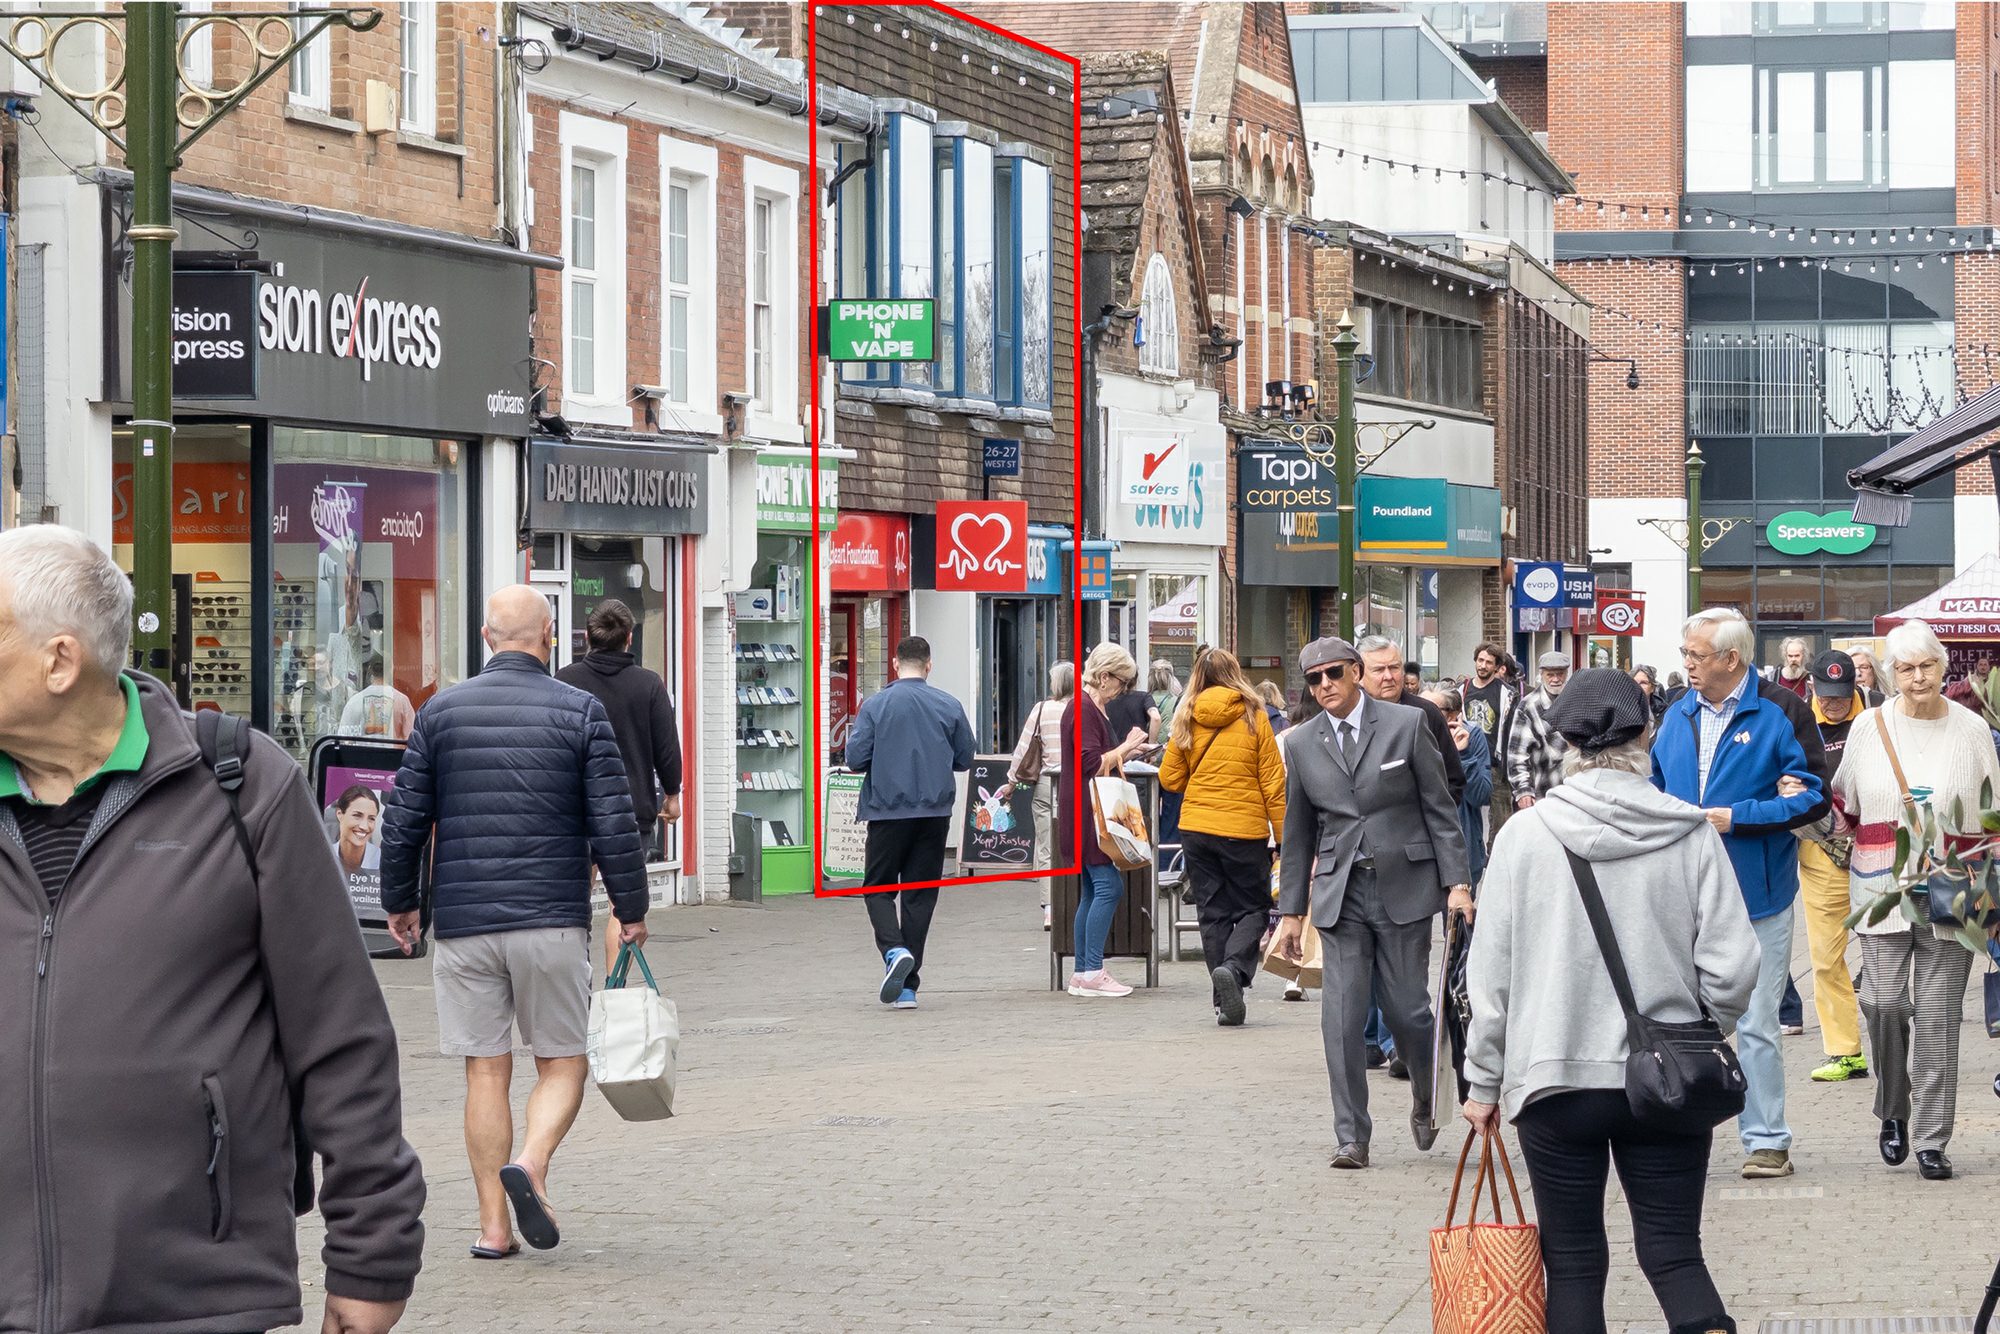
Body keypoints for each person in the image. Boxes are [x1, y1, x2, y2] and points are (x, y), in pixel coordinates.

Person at [0, 525, 424, 1329]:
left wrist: (372, 1257)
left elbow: (340, 1036)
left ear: (59, 662)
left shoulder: (240, 787)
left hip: (194, 1297)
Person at [1463, 669, 1756, 1334]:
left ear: (1564, 741)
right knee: (1675, 1253)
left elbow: (1491, 977)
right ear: (1647, 732)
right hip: (1670, 1080)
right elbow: (1735, 964)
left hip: (1555, 1077)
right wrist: (1697, 1027)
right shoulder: (1690, 832)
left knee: (1570, 1263)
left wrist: (1483, 1081)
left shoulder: (1523, 837)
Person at [381, 584, 647, 1257]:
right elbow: (613, 823)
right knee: (563, 1062)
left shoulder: (440, 713)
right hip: (550, 920)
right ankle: (531, 1161)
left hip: (465, 922)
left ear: (486, 637)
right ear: (550, 637)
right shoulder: (581, 712)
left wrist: (400, 902)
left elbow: (405, 819)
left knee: (485, 1070)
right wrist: (631, 908)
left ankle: (493, 1229)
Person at [1271, 636, 1472, 1169]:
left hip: (1405, 887)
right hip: (1340, 893)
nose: (1324, 685)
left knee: (1409, 1011)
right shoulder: (1301, 742)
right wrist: (1291, 913)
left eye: (1334, 673)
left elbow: (1440, 809)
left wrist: (1457, 883)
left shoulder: (1408, 724)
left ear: (1356, 672)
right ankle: (1351, 1136)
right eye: (1313, 679)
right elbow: (1297, 832)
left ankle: (1427, 1095)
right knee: (1341, 1018)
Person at [1650, 607, 1827, 1180]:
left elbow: (1813, 797)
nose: (1687, 664)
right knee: (1677, 1018)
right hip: (1682, 892)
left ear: (1731, 658)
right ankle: (1679, 1129)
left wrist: (1738, 817)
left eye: (1696, 655)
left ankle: (1767, 1140)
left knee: (1755, 1021)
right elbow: (1655, 787)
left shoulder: (1781, 712)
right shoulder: (1677, 713)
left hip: (1758, 895)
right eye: (1685, 654)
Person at [1833, 620, 2000, 1181]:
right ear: (1891, 674)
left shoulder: (1972, 729)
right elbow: (1846, 802)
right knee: (1882, 1002)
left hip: (1953, 887)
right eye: (1905, 668)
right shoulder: (1869, 726)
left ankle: (1931, 1137)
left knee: (1938, 1017)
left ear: (1943, 667)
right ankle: (1893, 1107)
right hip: (1881, 886)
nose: (1918, 677)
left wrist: (1991, 894)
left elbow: (1993, 815)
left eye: (1927, 665)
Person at [842, 635, 976, 1009]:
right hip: (934, 814)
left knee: (878, 889)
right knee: (920, 896)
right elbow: (965, 757)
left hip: (887, 812)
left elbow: (855, 758)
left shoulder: (876, 705)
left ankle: (894, 950)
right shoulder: (949, 705)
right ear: (929, 665)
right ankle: (907, 988)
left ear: (895, 664)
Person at [1160, 649, 1287, 1025]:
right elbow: (1273, 783)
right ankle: (1233, 970)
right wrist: (1283, 839)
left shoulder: (1186, 714)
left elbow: (1169, 778)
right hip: (1243, 830)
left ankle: (1223, 1002)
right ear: (1235, 674)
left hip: (1196, 829)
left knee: (1212, 913)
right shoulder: (1254, 715)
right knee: (1254, 908)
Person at [555, 597, 683, 962]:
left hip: (575, 809)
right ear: (629, 637)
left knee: (574, 898)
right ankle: (615, 987)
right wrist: (671, 795)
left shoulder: (565, 681)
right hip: (629, 809)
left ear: (588, 637)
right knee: (622, 906)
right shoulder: (648, 684)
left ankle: (573, 977)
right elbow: (666, 747)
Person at [1060, 643, 1152, 997]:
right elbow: (1091, 763)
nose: (1122, 690)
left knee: (1091, 889)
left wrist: (1127, 750)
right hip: (1091, 813)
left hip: (1082, 808)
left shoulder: (1086, 707)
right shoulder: (1084, 708)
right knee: (1109, 887)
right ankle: (1093, 971)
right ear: (1103, 677)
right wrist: (1127, 746)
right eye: (1121, 682)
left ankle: (1083, 972)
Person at [1794, 650, 1869, 1084]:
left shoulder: (1877, 714)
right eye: (1826, 694)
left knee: (1888, 955)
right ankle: (1845, 1052)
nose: (1833, 703)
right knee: (1825, 958)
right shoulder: (1799, 721)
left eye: (1841, 694)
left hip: (1878, 848)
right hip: (1821, 853)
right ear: (1812, 687)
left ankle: (1899, 1043)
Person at [1002, 660, 1071, 931]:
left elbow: (1023, 748)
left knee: (1046, 847)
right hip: (1078, 785)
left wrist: (1011, 782)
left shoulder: (1042, 709)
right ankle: (1076, 903)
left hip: (1047, 784)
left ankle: (1050, 909)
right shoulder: (1084, 709)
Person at [1357, 635, 1465, 804]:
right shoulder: (1350, 716)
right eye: (1378, 670)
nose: (1388, 676)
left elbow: (1453, 780)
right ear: (1359, 676)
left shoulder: (1426, 713)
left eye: (1394, 667)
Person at [1427, 686, 1494, 888]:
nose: (1422, 712)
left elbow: (1481, 795)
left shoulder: (1472, 736)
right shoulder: (1412, 734)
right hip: (1423, 851)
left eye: (1431, 708)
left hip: (1463, 847)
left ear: (1453, 715)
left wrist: (1463, 755)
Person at [1463, 642, 1517, 840]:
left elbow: (1513, 729)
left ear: (1497, 667)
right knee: (1466, 814)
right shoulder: (1461, 690)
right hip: (1468, 759)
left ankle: (1496, 853)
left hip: (1495, 763)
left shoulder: (1507, 694)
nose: (1483, 666)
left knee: (1502, 820)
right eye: (1480, 660)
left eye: (1488, 662)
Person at [1507, 652, 1574, 808]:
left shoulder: (1577, 700)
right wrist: (1523, 790)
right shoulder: (1528, 706)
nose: (1555, 679)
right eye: (1550, 674)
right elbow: (1517, 754)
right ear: (1541, 674)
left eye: (1560, 674)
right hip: (1544, 794)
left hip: (1575, 793)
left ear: (1567, 673)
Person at [338, 655, 416, 738]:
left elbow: (343, 737)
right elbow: (412, 737)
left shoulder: (355, 701)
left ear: (370, 670)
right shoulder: (401, 701)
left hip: (362, 747)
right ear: (391, 669)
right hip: (392, 747)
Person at [1106, 655, 1161, 748]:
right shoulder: (1144, 697)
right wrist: (1151, 745)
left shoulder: (1106, 699)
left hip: (1113, 752)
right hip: (1138, 750)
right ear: (1136, 679)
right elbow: (1156, 718)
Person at [332, 783, 384, 875]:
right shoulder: (324, 855)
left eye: (371, 818)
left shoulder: (383, 860)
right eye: (357, 816)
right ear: (339, 814)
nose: (364, 826)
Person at [1766, 636, 1813, 700]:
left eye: (1797, 656)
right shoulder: (1772, 678)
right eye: (1790, 656)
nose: (1793, 659)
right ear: (1785, 656)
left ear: (1803, 656)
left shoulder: (1810, 680)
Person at [1148, 659, 1183, 740]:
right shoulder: (1177, 701)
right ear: (1171, 678)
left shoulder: (1143, 700)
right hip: (1167, 745)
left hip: (1145, 745)